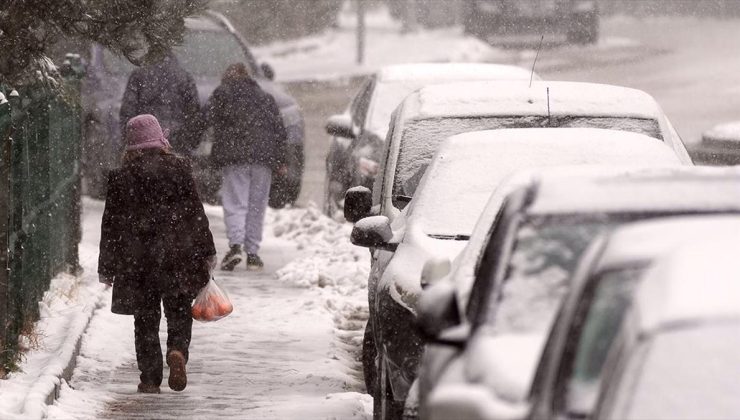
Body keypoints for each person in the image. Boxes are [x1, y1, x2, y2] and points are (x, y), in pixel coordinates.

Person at [98, 114, 216, 394]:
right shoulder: (179, 169)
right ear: (160, 139)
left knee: (145, 318)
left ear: (131, 144)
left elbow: (110, 225)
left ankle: (150, 377)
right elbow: (195, 214)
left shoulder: (121, 178)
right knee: (178, 311)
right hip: (179, 255)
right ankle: (177, 350)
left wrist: (107, 265)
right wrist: (207, 250)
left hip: (138, 260)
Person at [204, 63, 288, 271]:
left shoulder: (223, 93)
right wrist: (281, 160)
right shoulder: (265, 97)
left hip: (235, 157)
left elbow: (204, 119)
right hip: (263, 159)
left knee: (235, 203)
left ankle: (235, 247)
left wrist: (188, 142)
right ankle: (253, 254)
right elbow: (279, 130)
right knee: (256, 206)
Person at [119, 51, 203, 154]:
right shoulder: (185, 77)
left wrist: (129, 140)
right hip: (177, 140)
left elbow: (128, 110)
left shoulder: (138, 75)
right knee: (173, 168)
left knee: (147, 168)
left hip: (145, 140)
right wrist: (191, 142)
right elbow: (194, 113)